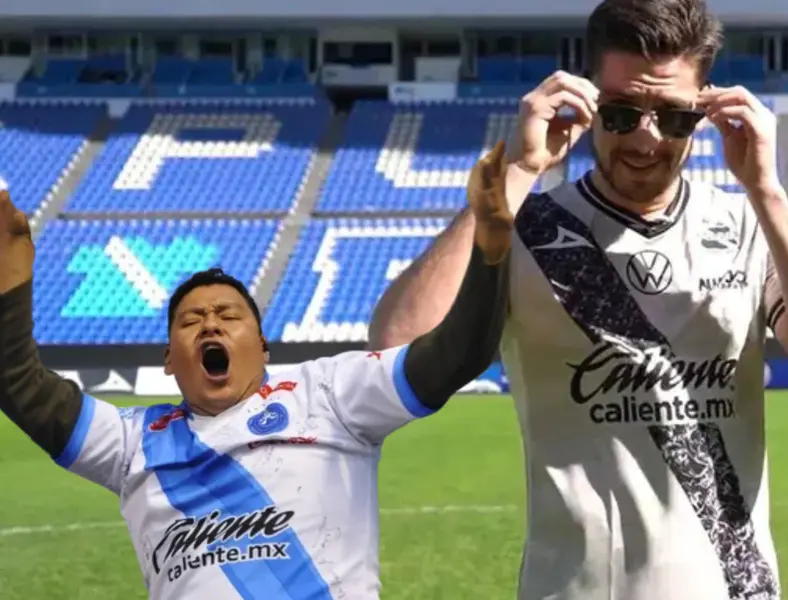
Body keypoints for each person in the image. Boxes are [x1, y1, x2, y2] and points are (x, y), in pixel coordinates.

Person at [369, 1, 788, 598]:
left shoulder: (747, 227)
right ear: (586, 102)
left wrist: (768, 193)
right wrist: (515, 170)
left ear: (705, 110)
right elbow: (395, 348)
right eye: (621, 112)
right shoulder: (522, 229)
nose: (645, 138)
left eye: (672, 117)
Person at [0, 144, 515, 599]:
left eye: (228, 316)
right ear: (167, 359)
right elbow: (18, 382)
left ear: (263, 347)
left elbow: (455, 355)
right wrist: (11, 279)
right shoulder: (130, 442)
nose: (209, 326)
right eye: (190, 320)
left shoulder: (329, 394)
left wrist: (490, 252)